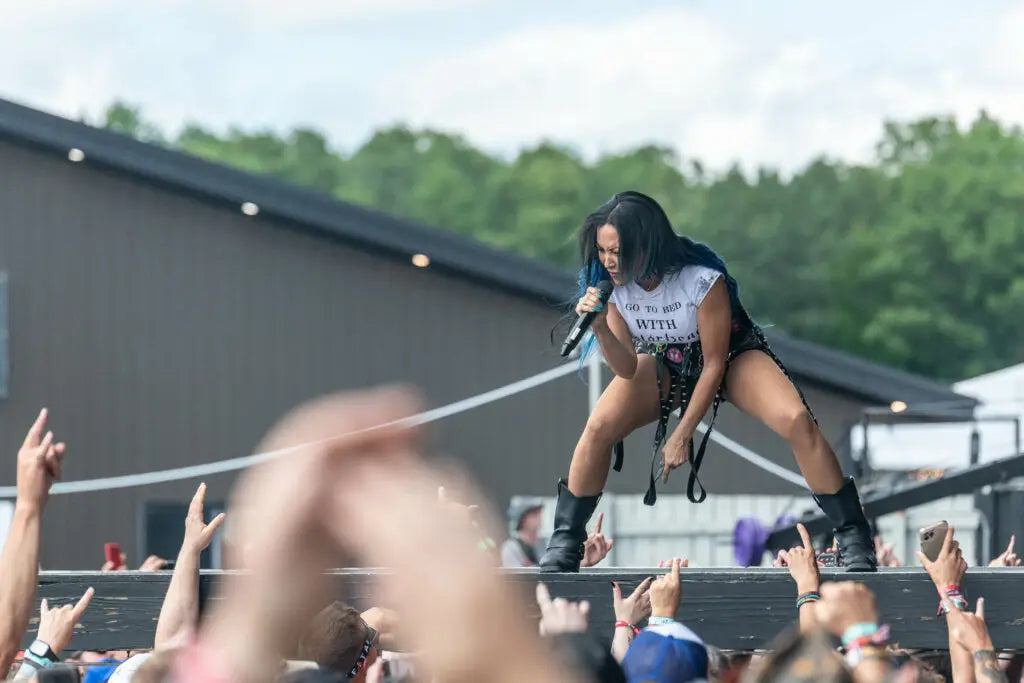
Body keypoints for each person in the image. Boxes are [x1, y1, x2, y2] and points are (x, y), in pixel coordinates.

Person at [539, 191, 876, 573]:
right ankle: (566, 539)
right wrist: (599, 327)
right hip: (666, 362)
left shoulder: (699, 280)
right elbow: (628, 368)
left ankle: (852, 535)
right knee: (598, 426)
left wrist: (682, 433)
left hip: (730, 358)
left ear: (646, 244)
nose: (608, 261)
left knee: (797, 421)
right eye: (602, 251)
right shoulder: (611, 287)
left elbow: (714, 365)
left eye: (616, 251)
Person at [501, 499, 545, 567]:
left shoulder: (546, 545)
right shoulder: (511, 547)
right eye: (534, 514)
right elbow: (514, 576)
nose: (539, 517)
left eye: (539, 513)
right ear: (522, 519)